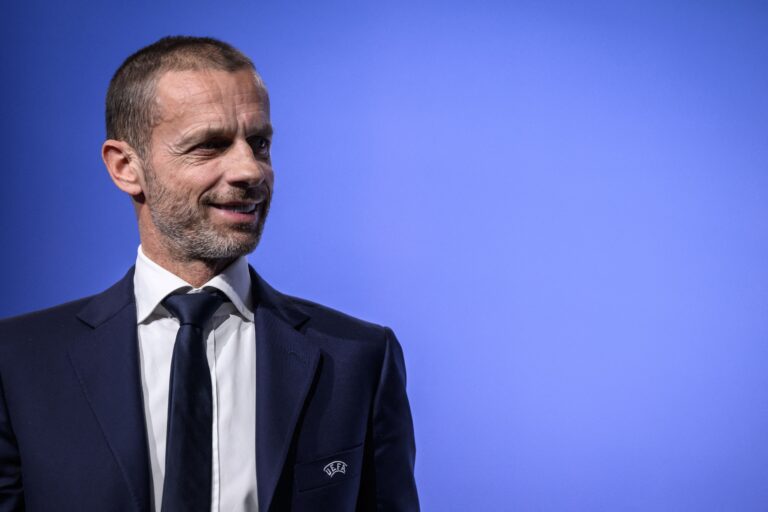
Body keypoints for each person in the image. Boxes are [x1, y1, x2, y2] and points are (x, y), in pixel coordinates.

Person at [0, 36, 419, 512]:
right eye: (210, 146)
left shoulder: (359, 359)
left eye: (259, 144)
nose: (250, 171)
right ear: (126, 167)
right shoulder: (18, 365)